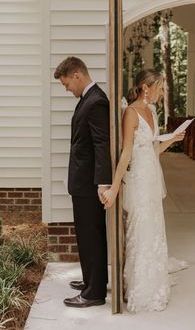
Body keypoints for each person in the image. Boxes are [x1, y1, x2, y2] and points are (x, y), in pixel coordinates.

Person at [100, 69, 186, 313]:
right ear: (145, 87)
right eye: (159, 87)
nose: (162, 92)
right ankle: (139, 287)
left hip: (152, 179)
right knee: (140, 229)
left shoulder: (153, 111)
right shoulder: (131, 113)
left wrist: (173, 140)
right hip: (137, 180)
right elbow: (126, 153)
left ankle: (154, 283)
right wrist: (115, 188)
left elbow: (152, 149)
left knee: (154, 230)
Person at [54, 56, 112, 308]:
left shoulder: (96, 101)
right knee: (87, 235)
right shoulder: (87, 99)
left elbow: (101, 144)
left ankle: (94, 293)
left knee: (91, 235)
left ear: (77, 75)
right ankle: (92, 280)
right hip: (83, 181)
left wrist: (102, 183)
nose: (67, 89)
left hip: (89, 184)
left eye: (67, 84)